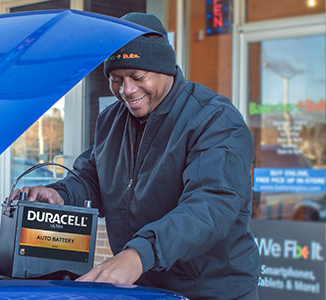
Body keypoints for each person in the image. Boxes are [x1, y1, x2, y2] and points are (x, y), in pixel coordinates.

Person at [14, 12, 260, 300]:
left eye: (138, 77)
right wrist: (61, 195)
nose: (127, 90)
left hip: (211, 291)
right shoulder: (111, 120)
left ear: (165, 68)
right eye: (116, 79)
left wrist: (138, 255)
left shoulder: (213, 118)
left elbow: (210, 205)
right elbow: (93, 177)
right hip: (142, 289)